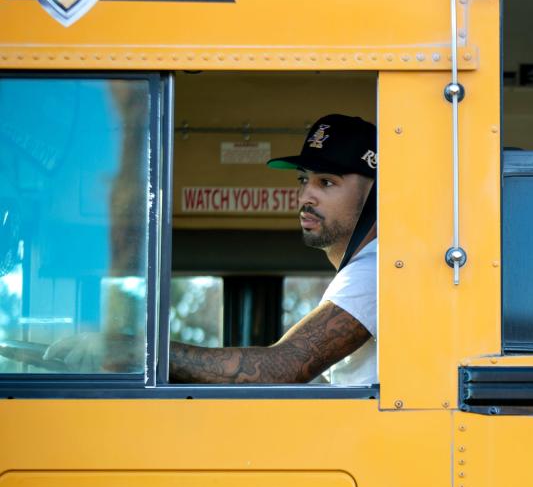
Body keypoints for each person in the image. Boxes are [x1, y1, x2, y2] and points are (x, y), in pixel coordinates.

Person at [47, 113, 379, 385]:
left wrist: (135, 351)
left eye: (327, 182)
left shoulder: (374, 271)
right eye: (303, 180)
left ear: (376, 194)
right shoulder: (363, 271)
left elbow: (283, 367)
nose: (306, 196)